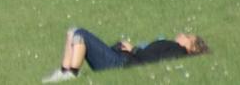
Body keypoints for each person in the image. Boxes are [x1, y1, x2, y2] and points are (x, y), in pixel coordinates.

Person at [42, 26, 208, 81]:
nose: (182, 34)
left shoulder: (177, 50)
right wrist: (132, 49)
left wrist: (133, 50)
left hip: (122, 64)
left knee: (80, 35)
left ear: (191, 48)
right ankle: (64, 71)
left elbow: (148, 61)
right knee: (72, 31)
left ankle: (72, 73)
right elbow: (149, 56)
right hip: (123, 59)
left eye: (187, 37)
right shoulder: (172, 47)